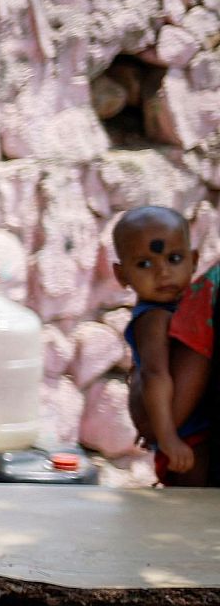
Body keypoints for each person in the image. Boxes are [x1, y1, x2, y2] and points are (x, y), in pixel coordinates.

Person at [112, 206, 205, 484]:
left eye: (174, 259)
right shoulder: (154, 318)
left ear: (194, 260)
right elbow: (155, 374)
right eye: (144, 264)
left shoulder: (181, 306)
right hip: (187, 438)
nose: (163, 273)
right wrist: (167, 438)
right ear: (121, 275)